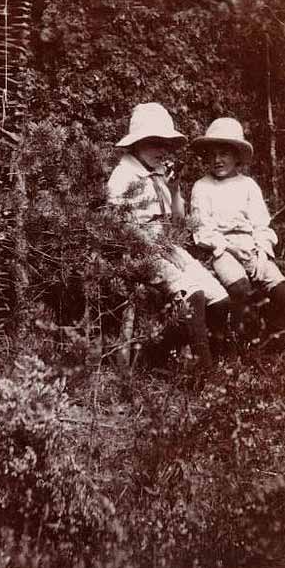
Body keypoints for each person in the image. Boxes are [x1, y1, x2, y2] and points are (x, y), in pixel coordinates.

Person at [107, 103, 230, 374]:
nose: (161, 151)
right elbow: (120, 227)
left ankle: (163, 352)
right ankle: (203, 372)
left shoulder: (162, 175)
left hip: (168, 246)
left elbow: (177, 223)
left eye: (165, 144)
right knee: (192, 295)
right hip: (140, 250)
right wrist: (154, 247)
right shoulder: (123, 175)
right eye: (154, 143)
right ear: (136, 144)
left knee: (219, 298)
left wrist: (174, 191)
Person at [190, 117, 285, 355]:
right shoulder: (202, 187)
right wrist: (231, 249)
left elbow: (261, 224)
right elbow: (203, 230)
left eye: (224, 153)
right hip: (221, 249)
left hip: (252, 247)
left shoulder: (248, 185)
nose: (217, 160)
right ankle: (233, 350)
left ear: (237, 156)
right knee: (241, 289)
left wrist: (262, 253)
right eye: (212, 154)